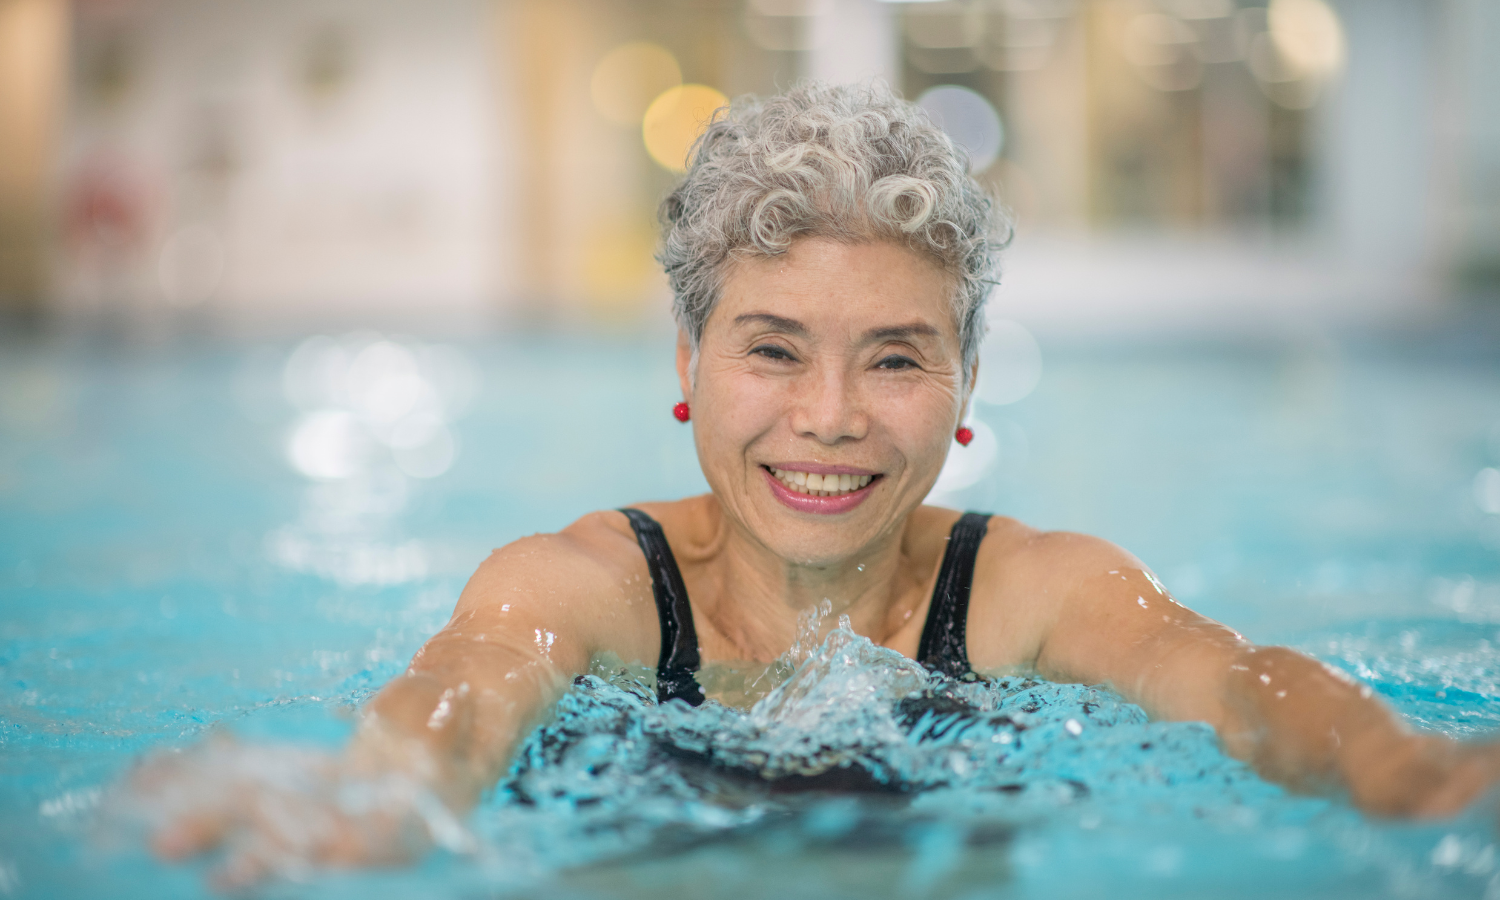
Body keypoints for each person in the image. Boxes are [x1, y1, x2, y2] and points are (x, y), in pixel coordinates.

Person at [138, 82, 1500, 886]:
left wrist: (1408, 767)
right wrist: (371, 796)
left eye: (895, 358)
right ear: (688, 356)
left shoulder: (1035, 592)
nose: (829, 420)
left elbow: (1242, 684)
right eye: (773, 350)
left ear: (966, 379)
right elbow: (461, 701)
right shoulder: (583, 590)